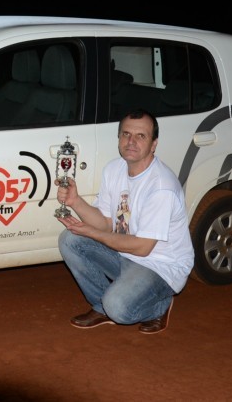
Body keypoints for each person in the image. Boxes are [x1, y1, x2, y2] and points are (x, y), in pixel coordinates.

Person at [56, 109, 195, 334]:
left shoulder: (161, 187)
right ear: (119, 138)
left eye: (141, 136)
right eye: (126, 134)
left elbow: (142, 247)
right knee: (70, 239)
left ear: (154, 144)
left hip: (160, 265)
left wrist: (93, 233)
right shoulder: (114, 169)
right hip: (126, 253)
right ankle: (102, 308)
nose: (131, 141)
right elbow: (105, 224)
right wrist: (75, 201)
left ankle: (159, 305)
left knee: (119, 308)